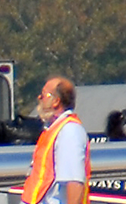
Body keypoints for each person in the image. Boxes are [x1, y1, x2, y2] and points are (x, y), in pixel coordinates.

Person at [22, 76, 89, 204]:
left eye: (43, 95)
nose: (39, 98)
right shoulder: (54, 129)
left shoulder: (70, 131)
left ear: (56, 101)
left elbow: (74, 181)